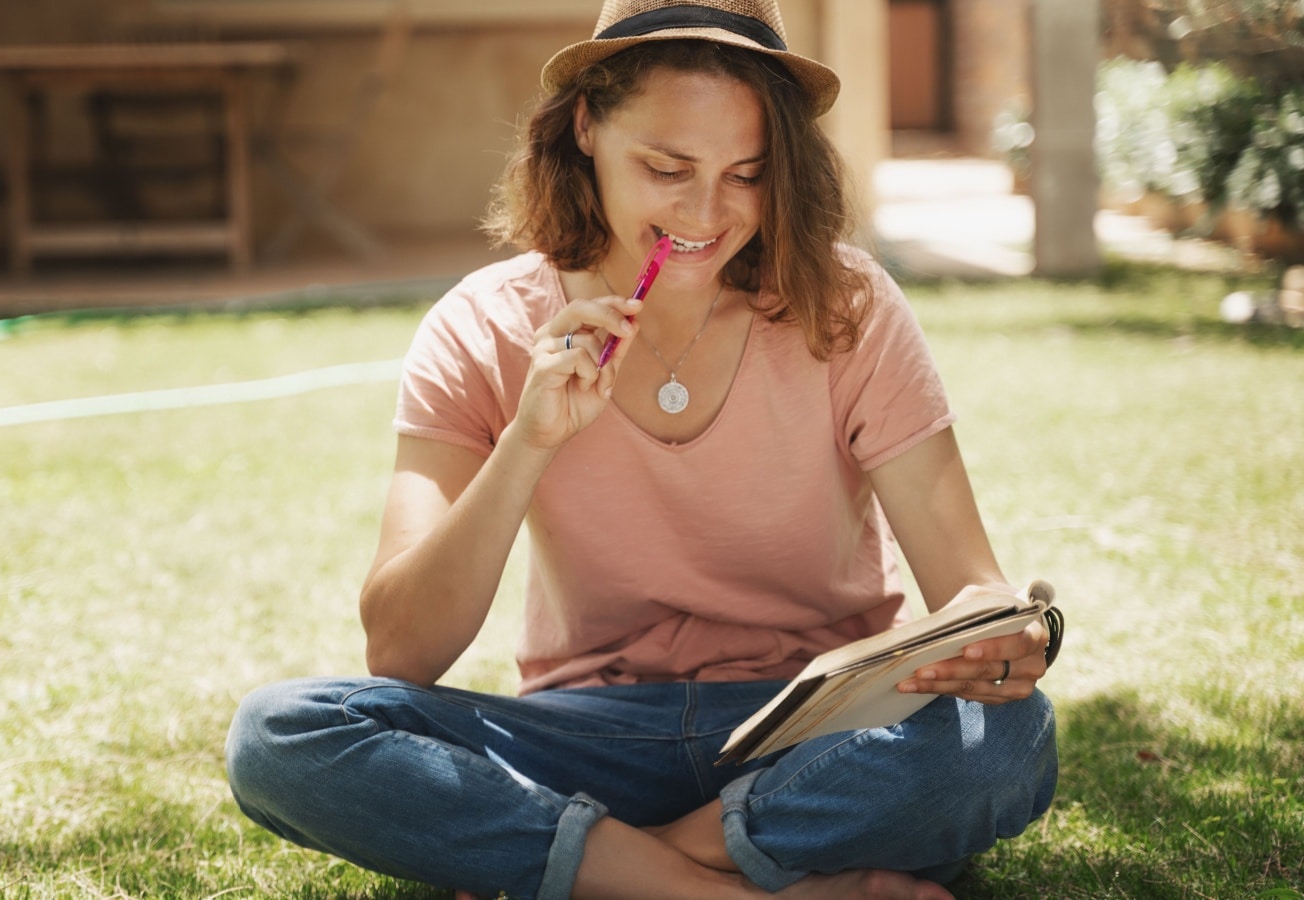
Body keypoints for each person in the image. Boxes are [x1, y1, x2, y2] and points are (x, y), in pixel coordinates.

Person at [225, 1, 1059, 897]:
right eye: (668, 167)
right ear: (585, 124)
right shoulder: (481, 326)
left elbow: (967, 587)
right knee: (282, 734)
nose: (708, 212)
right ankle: (757, 880)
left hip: (810, 734)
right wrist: (526, 442)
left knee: (1010, 738)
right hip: (591, 733)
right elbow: (401, 651)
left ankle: (614, 864)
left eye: (748, 173)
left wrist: (1000, 638)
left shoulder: (847, 307)